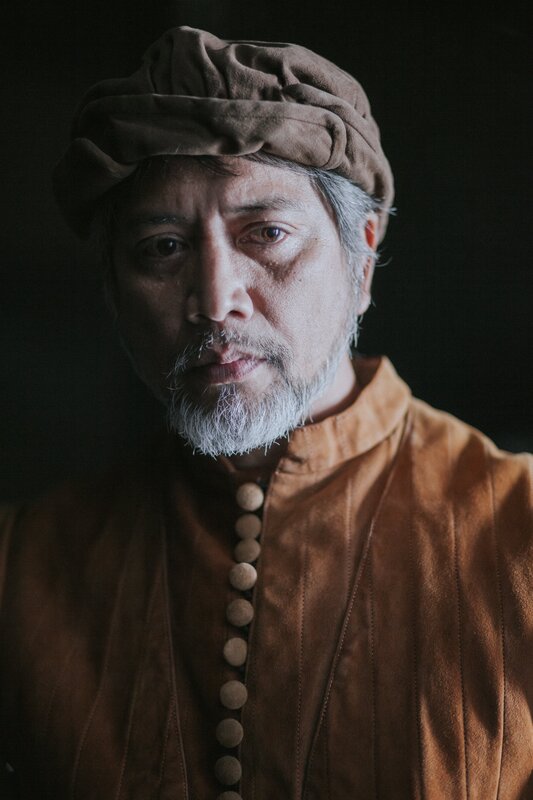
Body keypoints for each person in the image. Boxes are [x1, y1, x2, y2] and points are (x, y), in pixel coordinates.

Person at [1, 25, 531, 800]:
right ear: (114, 292)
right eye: (162, 247)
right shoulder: (23, 567)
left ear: (361, 260)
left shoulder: (517, 532)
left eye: (268, 234)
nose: (216, 300)